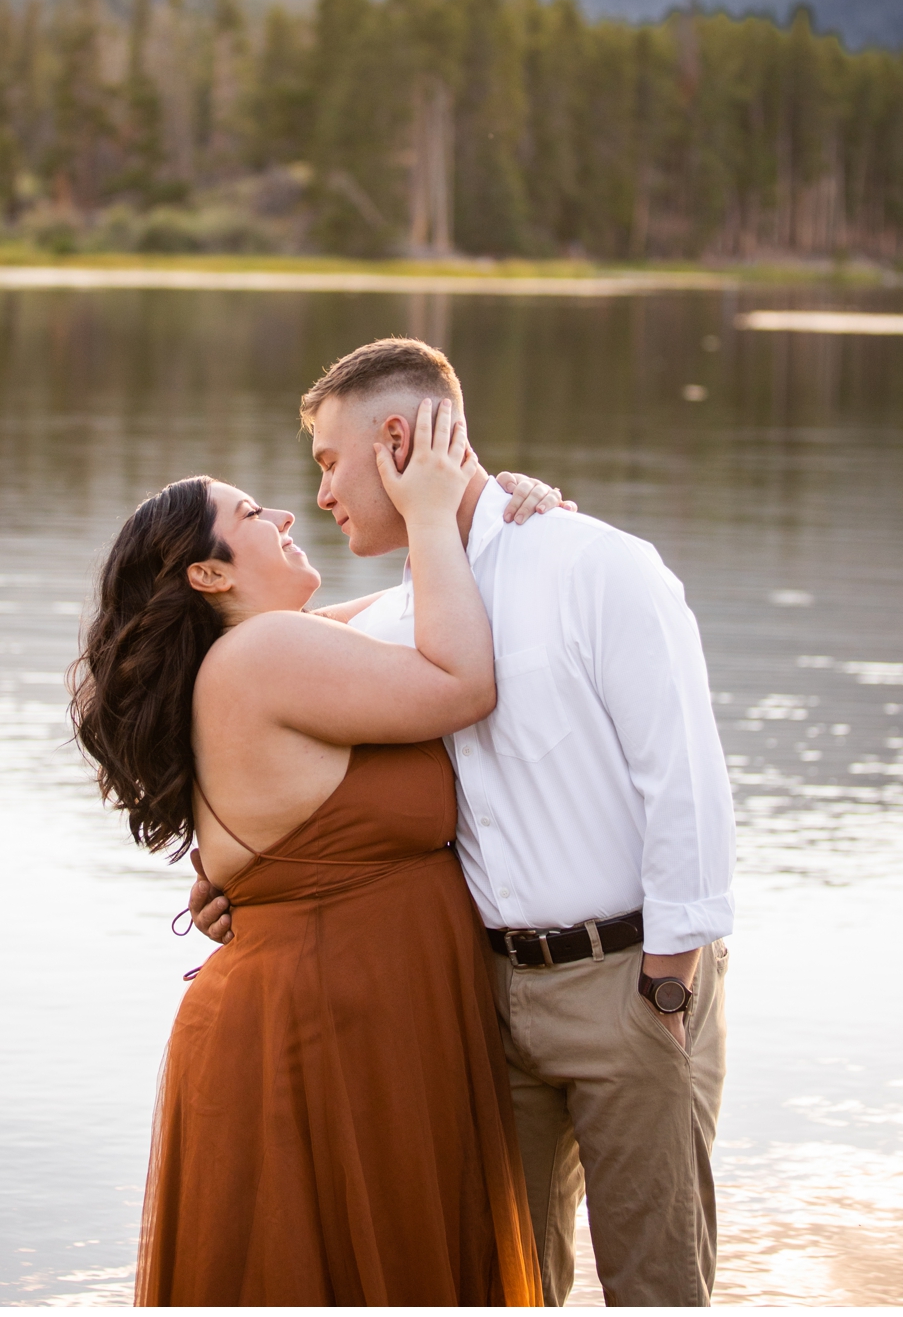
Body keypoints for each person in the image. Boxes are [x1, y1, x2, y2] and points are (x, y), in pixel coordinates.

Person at [191, 337, 736, 1306]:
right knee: (505, 1284)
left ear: (397, 439)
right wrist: (236, 878)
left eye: (327, 461)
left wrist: (664, 987)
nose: (318, 495)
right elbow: (260, 698)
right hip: (485, 1002)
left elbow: (685, 781)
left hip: (629, 985)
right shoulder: (411, 611)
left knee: (658, 1287)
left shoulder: (597, 565)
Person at [74, 399, 561, 1304]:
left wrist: (492, 508)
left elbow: (429, 599)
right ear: (209, 574)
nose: (288, 514)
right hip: (317, 1038)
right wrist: (425, 512)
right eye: (254, 514)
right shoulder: (265, 656)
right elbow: (462, 681)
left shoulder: (286, 646)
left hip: (351, 1017)